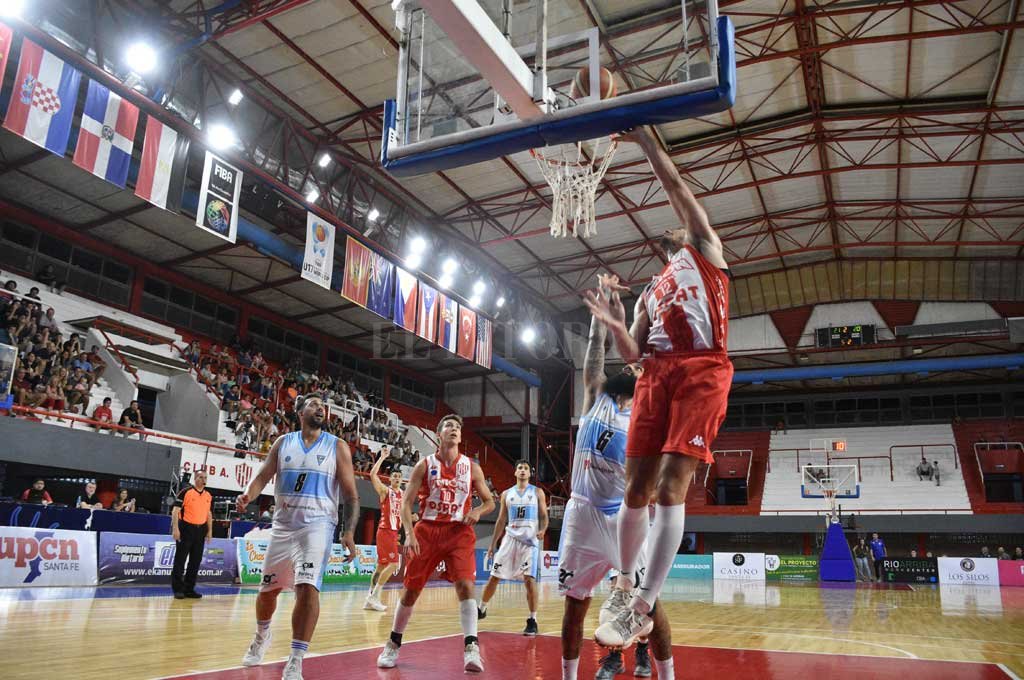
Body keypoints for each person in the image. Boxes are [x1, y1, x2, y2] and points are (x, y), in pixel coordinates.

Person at [586, 126, 733, 649]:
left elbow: (674, 185)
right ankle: (623, 589)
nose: (673, 225)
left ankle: (644, 606)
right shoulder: (651, 289)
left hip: (701, 368)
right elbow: (632, 357)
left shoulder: (706, 249)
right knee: (635, 490)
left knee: (671, 486)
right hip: (656, 372)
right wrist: (617, 324)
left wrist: (647, 141)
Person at [558, 274, 669, 680]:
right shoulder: (597, 397)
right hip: (582, 512)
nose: (632, 367)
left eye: (640, 366)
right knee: (575, 605)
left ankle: (659, 667)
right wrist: (602, 309)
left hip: (622, 516)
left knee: (648, 604)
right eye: (631, 363)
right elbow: (594, 350)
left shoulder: (649, 417)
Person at [235, 395, 359, 680]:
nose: (320, 408)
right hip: (283, 525)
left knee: (307, 588)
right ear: (300, 411)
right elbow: (263, 476)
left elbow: (351, 495)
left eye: (322, 405)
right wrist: (247, 495)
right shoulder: (283, 443)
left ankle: (296, 658)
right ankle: (262, 636)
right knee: (267, 591)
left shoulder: (337, 446)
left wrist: (349, 532)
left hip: (317, 526)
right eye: (314, 403)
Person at [376, 414, 495, 672]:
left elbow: (490, 502)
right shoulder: (424, 464)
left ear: (460, 437)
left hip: (458, 533)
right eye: (449, 426)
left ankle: (471, 647)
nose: (454, 429)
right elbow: (406, 504)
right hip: (427, 531)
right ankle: (393, 642)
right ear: (439, 434)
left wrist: (477, 512)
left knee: (465, 585)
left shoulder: (472, 468)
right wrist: (408, 533)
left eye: (458, 428)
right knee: (411, 590)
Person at [478, 460, 549, 637]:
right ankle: (481, 608)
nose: (523, 471)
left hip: (529, 542)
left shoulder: (537, 492)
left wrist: (544, 529)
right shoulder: (506, 494)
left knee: (529, 580)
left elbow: (544, 516)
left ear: (529, 473)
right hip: (509, 540)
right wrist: (493, 543)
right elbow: (501, 520)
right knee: (494, 577)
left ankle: (532, 620)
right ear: (515, 473)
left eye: (526, 468)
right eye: (520, 468)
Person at [364, 451, 407, 612]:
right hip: (385, 530)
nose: (396, 478)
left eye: (398, 476)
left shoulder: (403, 494)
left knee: (381, 567)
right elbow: (372, 474)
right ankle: (374, 596)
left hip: (394, 532)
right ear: (390, 478)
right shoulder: (385, 491)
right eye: (394, 476)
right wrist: (382, 457)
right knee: (394, 563)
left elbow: (402, 514)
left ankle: (369, 599)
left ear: (401, 479)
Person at [170, 471, 212, 599]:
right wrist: (175, 529)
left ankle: (189, 588)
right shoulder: (186, 492)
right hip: (186, 528)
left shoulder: (208, 495)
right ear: (195, 478)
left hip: (200, 530)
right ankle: (178, 589)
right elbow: (175, 511)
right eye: (200, 477)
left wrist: (210, 531)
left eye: (205, 477)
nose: (203, 479)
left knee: (195, 561)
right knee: (180, 559)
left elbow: (209, 514)